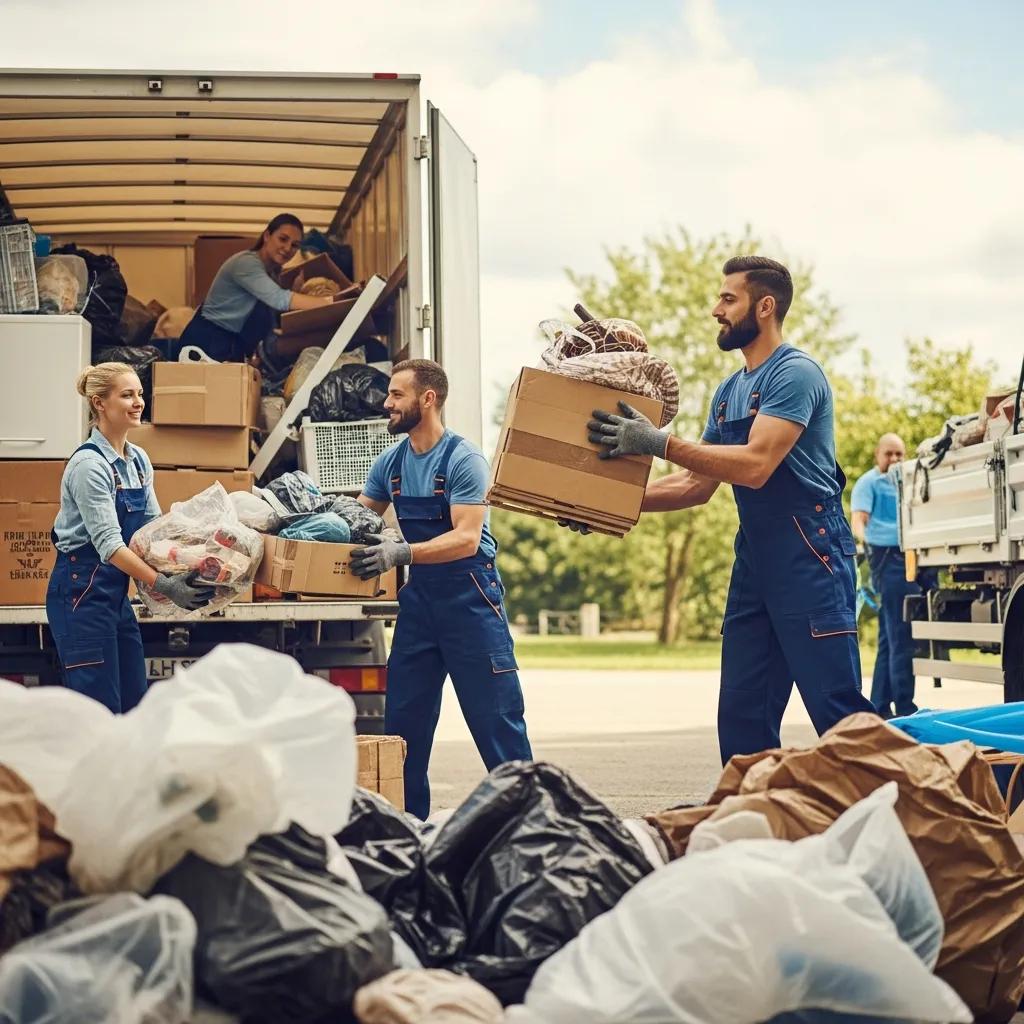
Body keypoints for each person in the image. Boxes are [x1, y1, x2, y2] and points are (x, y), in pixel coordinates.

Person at [585, 255, 875, 764]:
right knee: (743, 713)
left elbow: (757, 464)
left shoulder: (796, 374)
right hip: (756, 563)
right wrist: (606, 506)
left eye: (727, 298)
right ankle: (751, 822)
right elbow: (696, 485)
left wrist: (658, 442)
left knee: (837, 709)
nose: (715, 309)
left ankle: (911, 810)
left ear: (765, 307)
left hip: (811, 555)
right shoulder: (729, 392)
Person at [351, 359, 532, 818]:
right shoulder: (389, 463)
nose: (386, 404)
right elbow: (358, 518)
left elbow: (466, 538)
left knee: (497, 722)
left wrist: (402, 554)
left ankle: (530, 821)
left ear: (427, 399)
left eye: (396, 395)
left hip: (471, 597)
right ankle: (407, 828)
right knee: (403, 728)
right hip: (422, 605)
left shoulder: (463, 459)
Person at [47, 363, 215, 713]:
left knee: (135, 702)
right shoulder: (89, 466)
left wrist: (198, 559)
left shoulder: (137, 460)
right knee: (99, 710)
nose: (138, 402)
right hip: (81, 596)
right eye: (127, 395)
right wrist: (164, 585)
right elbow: (109, 545)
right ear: (99, 403)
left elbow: (153, 531)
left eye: (139, 393)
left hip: (114, 597)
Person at [178, 213, 333, 364]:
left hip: (230, 345)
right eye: (283, 239)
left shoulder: (272, 274)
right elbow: (279, 299)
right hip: (207, 341)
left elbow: (274, 314)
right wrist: (333, 303)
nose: (287, 248)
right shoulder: (247, 263)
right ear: (267, 236)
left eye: (294, 245)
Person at [851, 433, 919, 718]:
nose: (894, 459)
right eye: (888, 454)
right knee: (901, 633)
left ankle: (879, 705)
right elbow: (858, 520)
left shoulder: (908, 481)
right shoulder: (869, 483)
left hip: (909, 556)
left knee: (889, 636)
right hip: (885, 557)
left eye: (899, 454)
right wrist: (863, 546)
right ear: (877, 455)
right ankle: (905, 706)